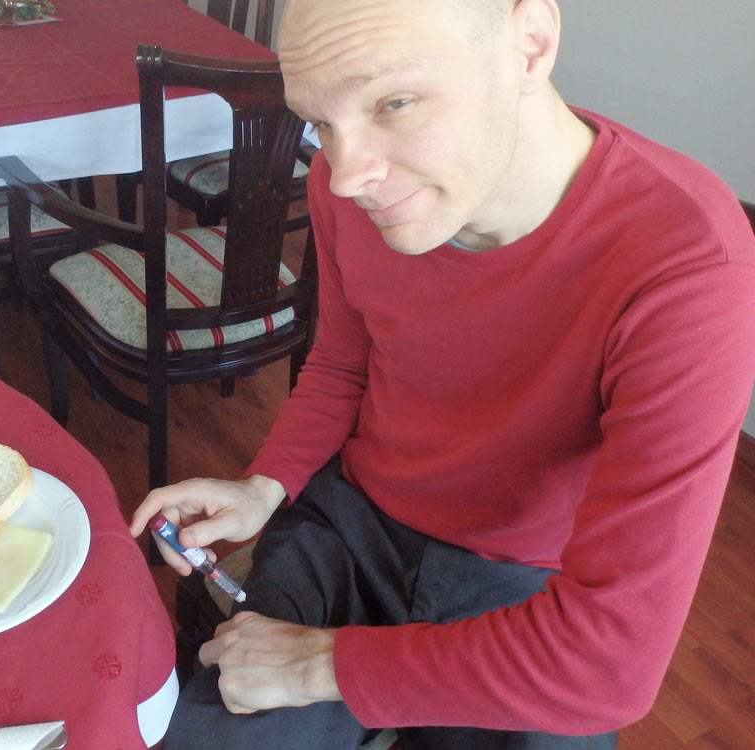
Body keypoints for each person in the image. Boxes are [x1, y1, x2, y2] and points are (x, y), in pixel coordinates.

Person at [130, 0, 755, 747]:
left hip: (528, 586)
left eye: (395, 101)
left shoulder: (689, 266)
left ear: (530, 43)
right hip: (352, 525)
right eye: (320, 121)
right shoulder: (353, 185)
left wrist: (322, 664)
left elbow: (607, 667)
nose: (344, 177)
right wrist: (261, 487)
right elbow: (341, 363)